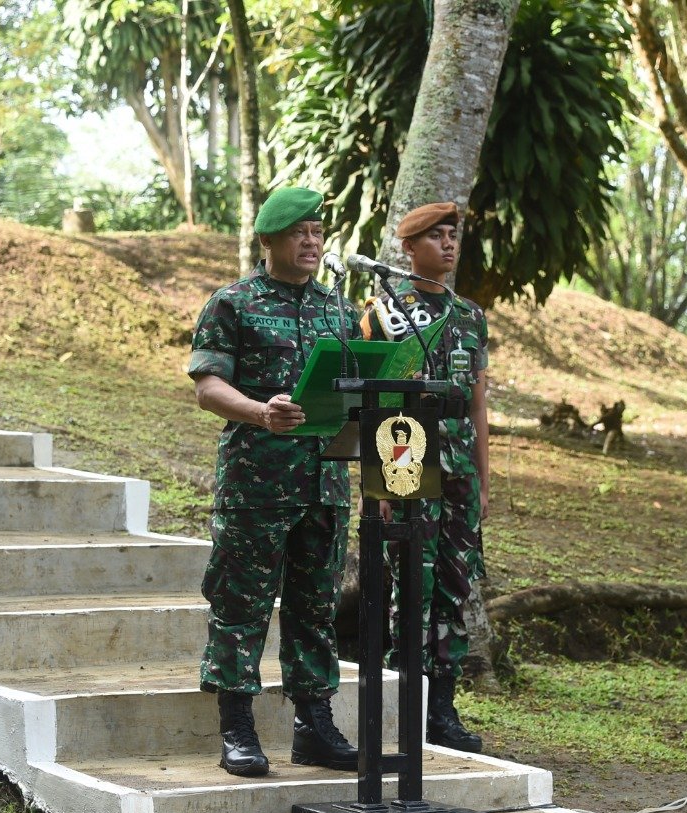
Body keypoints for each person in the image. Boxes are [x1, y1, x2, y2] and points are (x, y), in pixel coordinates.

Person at [187, 186, 361, 777]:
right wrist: (261, 410)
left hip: (326, 483)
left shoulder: (339, 309)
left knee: (316, 607)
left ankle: (314, 725)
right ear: (269, 241)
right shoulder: (232, 303)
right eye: (298, 233)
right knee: (242, 606)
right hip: (256, 484)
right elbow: (209, 387)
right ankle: (237, 727)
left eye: (317, 231)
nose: (311, 242)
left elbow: (355, 388)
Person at [360, 201, 489, 753]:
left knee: (454, 587)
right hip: (407, 454)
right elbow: (377, 402)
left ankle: (443, 708)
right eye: (435, 236)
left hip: (459, 464)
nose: (448, 245)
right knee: (410, 584)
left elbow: (479, 404)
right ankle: (403, 703)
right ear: (408, 247)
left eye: (452, 236)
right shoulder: (385, 310)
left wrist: (485, 479)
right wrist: (386, 482)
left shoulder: (469, 315)